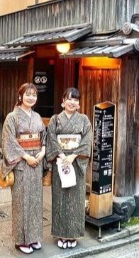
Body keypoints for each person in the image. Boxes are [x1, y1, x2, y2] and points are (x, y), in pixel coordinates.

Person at [0, 83, 46, 254]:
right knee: (21, 202)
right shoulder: (12, 117)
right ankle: (21, 240)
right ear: (20, 96)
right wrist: (26, 156)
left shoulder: (37, 116)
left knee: (35, 201)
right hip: (21, 164)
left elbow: (43, 137)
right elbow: (9, 141)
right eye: (28, 94)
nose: (31, 97)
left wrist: (42, 151)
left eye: (34, 95)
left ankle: (34, 237)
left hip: (36, 163)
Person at [46, 87, 93, 249]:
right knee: (60, 199)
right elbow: (51, 138)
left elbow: (87, 140)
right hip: (60, 163)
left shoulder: (84, 120)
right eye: (69, 99)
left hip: (76, 162)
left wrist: (73, 156)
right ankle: (61, 234)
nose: (72, 102)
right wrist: (60, 156)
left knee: (75, 199)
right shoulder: (55, 119)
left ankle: (73, 235)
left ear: (79, 104)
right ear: (62, 101)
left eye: (75, 99)